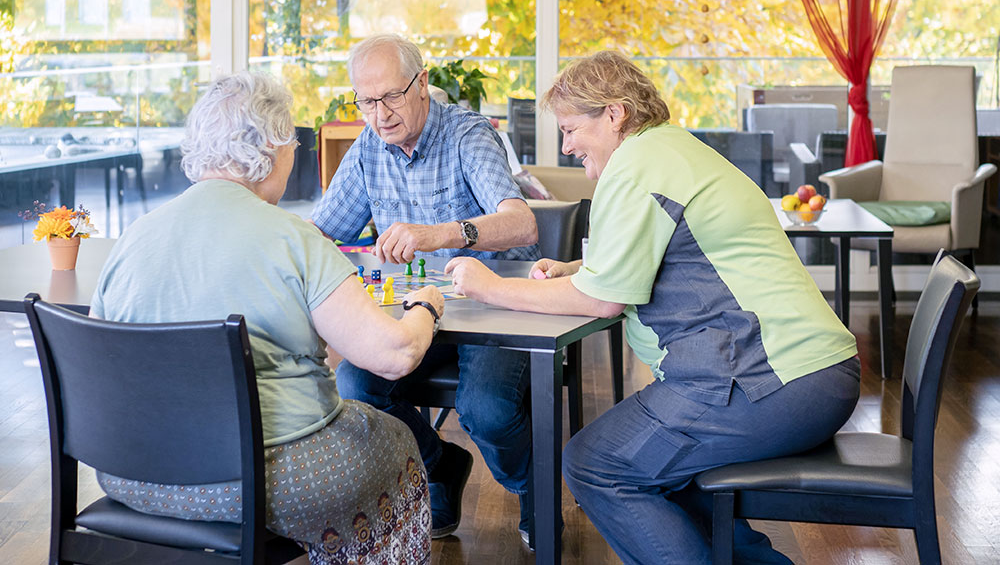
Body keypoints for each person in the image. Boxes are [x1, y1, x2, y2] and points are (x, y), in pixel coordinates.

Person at [446, 51, 862, 565]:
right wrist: (579, 267)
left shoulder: (637, 166)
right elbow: (663, 255)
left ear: (615, 113)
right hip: (807, 375)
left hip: (767, 382)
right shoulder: (669, 150)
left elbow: (602, 299)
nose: (566, 144)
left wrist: (488, 286)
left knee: (596, 463)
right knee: (664, 472)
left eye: (573, 129)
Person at [90, 72, 443, 565]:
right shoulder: (291, 238)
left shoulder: (133, 238)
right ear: (275, 146)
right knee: (398, 439)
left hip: (133, 471)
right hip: (262, 479)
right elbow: (394, 355)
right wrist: (427, 305)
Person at [311, 33, 541, 542]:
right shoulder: (370, 148)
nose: (379, 113)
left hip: (495, 302)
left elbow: (521, 224)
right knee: (354, 388)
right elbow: (320, 233)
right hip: (421, 312)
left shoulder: (467, 136)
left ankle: (535, 493)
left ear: (422, 84)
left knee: (488, 411)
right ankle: (440, 463)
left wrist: (441, 235)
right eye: (366, 101)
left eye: (391, 96)